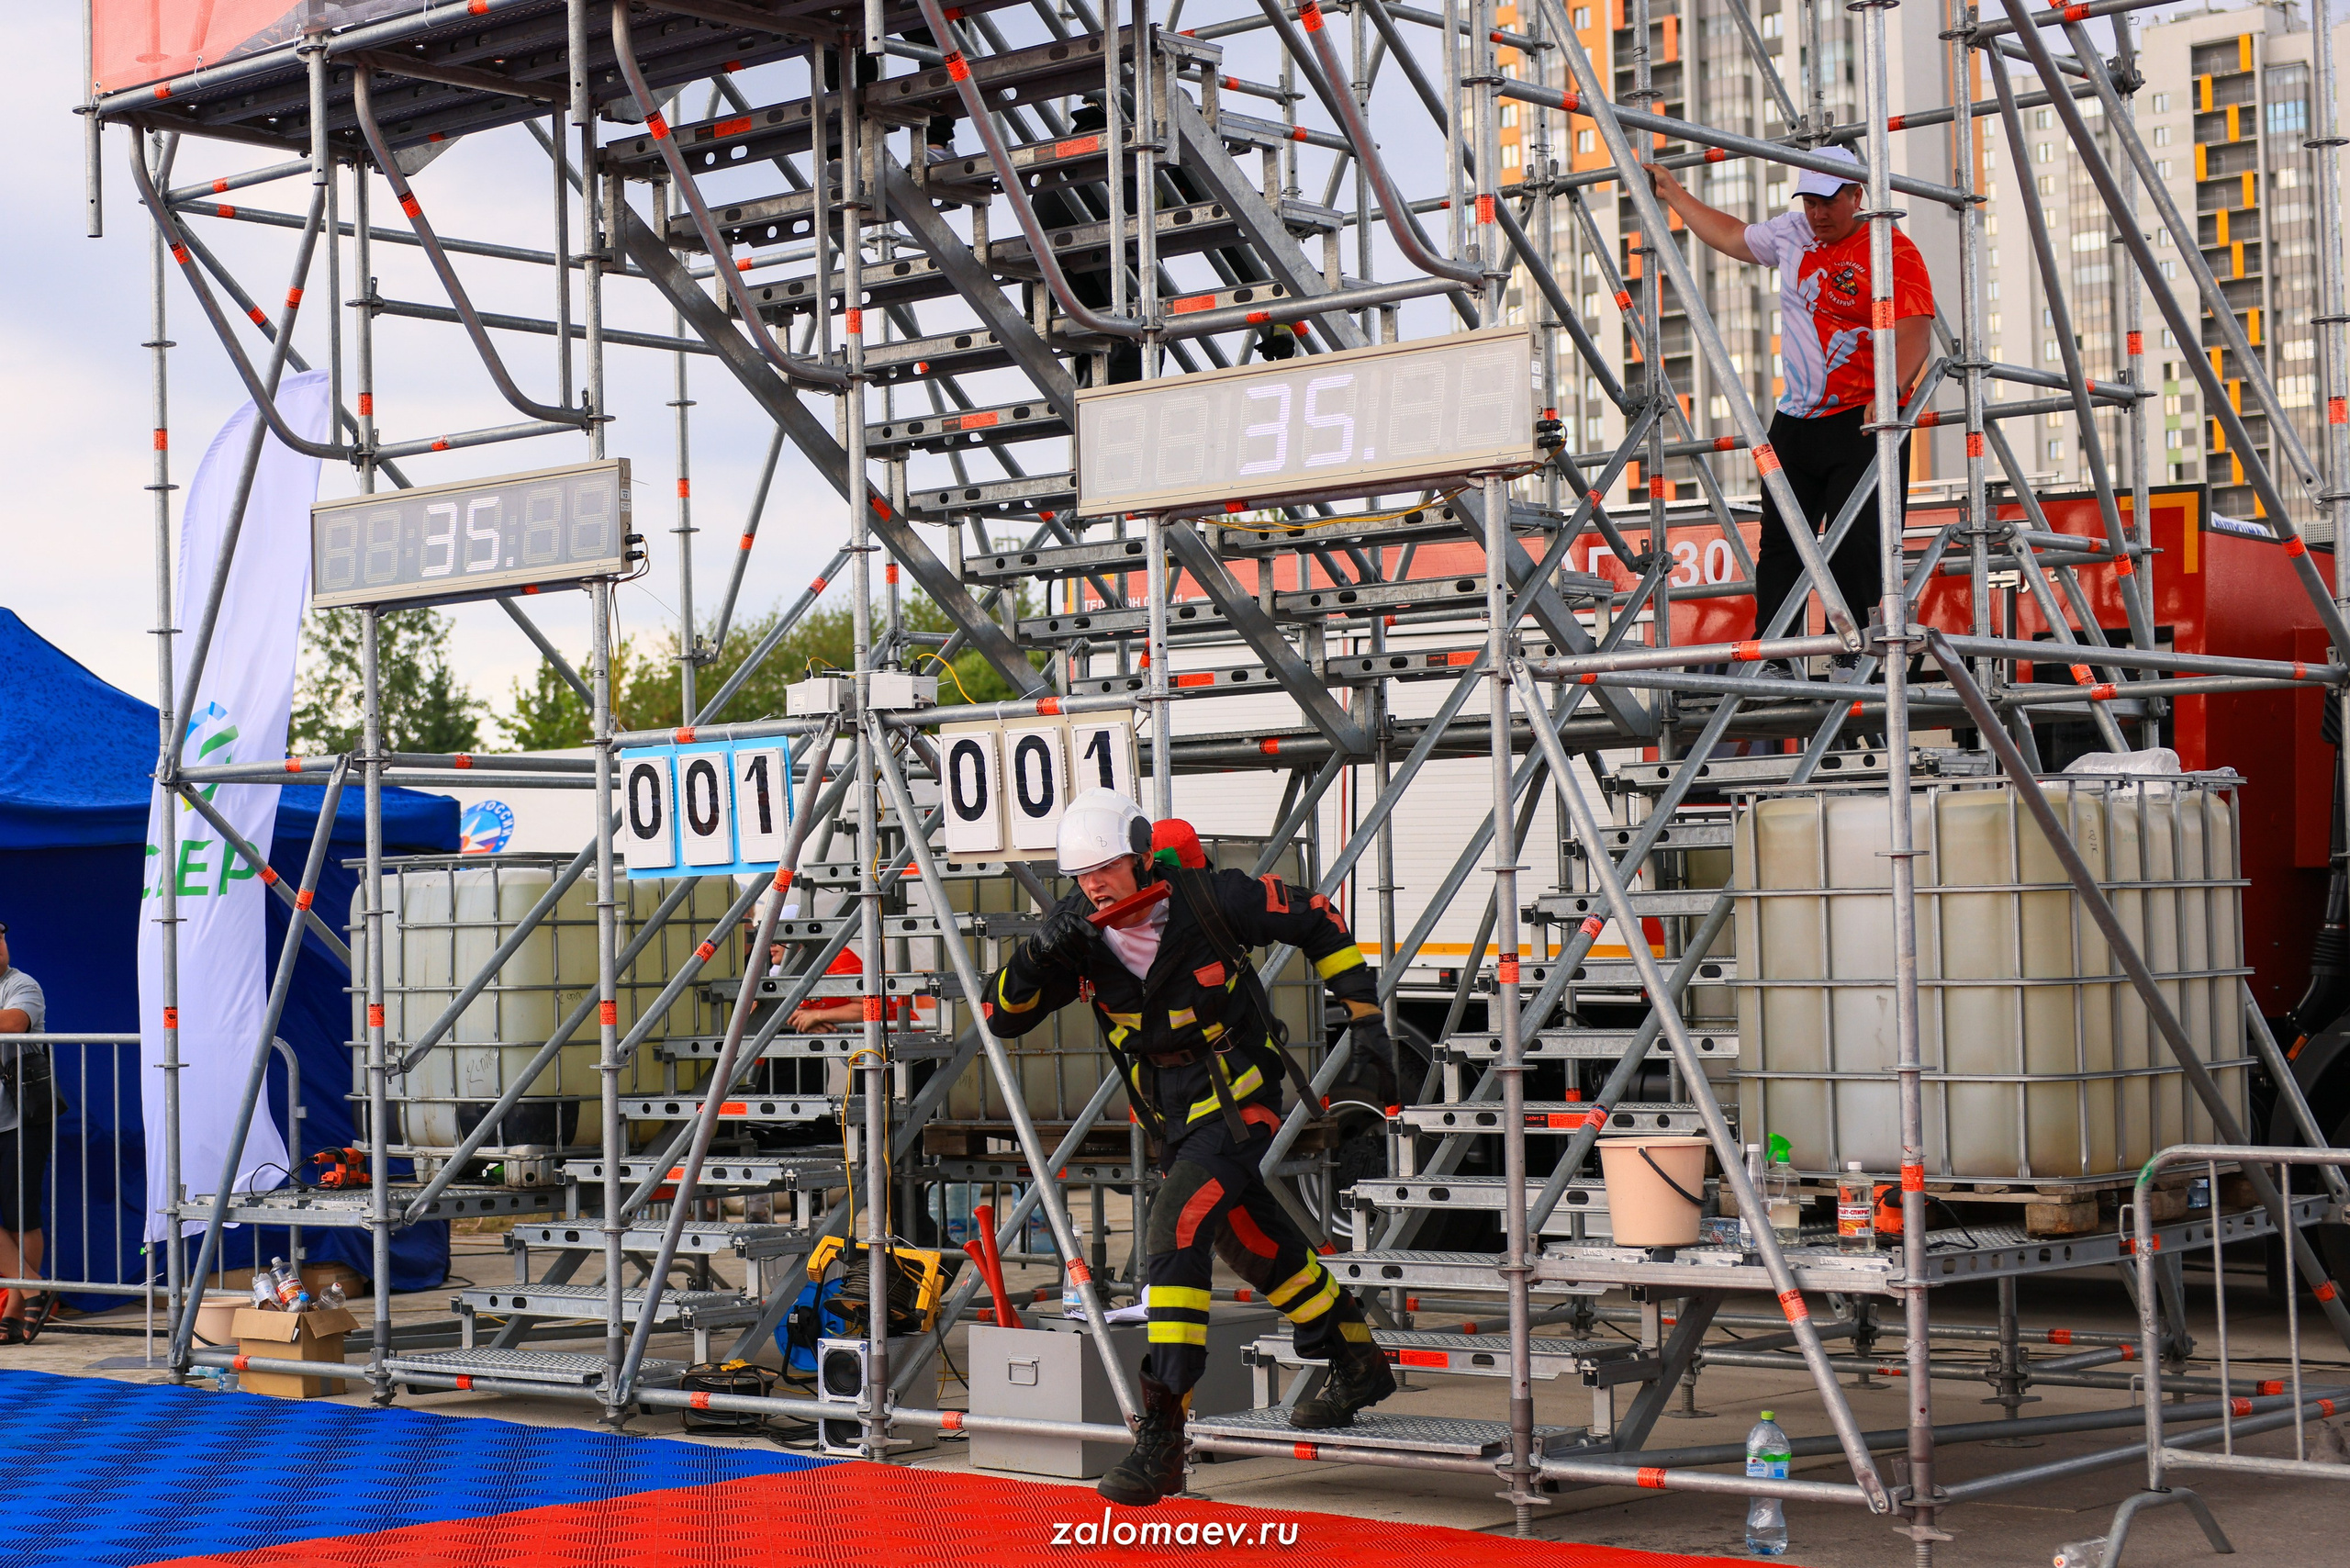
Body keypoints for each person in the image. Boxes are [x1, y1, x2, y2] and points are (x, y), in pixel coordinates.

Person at [984, 790, 1401, 1506]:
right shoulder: (1078, 933)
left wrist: (1364, 1023)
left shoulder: (1213, 899)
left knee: (1175, 1231)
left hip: (1241, 1099)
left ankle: (1164, 1438)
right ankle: (1356, 1360)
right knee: (1252, 1244)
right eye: (1082, 875)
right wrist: (1032, 958)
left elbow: (1317, 917)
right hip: (1171, 1117)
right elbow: (1001, 1016)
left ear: (1143, 856)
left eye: (1107, 868)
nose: (1095, 886)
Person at [1646, 145, 1936, 672]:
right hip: (1796, 419)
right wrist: (1676, 195)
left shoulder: (1892, 250)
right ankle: (1776, 657)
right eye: (1810, 202)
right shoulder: (1792, 233)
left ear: (1856, 195)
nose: (1818, 214)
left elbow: (1916, 333)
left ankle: (1857, 658)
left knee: (1858, 543)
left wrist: (1888, 390)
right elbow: (1733, 236)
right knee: (1781, 544)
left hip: (1863, 420)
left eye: (1828, 202)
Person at [0, 922, 55, 1345]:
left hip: (19, 1117)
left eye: (1, 938)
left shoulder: (22, 985)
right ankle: (34, 1285)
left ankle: (15, 1311)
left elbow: (14, 1023)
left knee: (22, 1215)